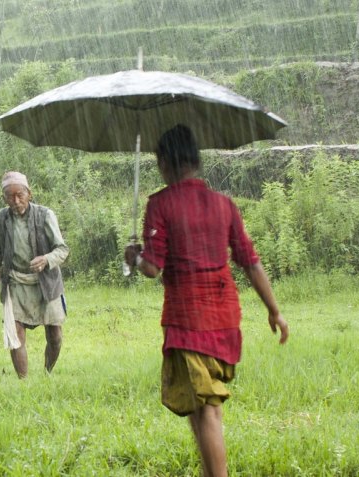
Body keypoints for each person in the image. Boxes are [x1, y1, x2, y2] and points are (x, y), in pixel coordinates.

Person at [124, 125, 289, 477]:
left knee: (207, 410)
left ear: (165, 162)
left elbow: (153, 268)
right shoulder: (224, 204)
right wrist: (274, 310)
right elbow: (250, 260)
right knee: (200, 406)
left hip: (188, 321)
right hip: (225, 318)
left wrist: (133, 257)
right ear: (196, 160)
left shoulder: (161, 203)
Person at [0, 171, 70, 379]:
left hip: (47, 283)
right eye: (10, 196)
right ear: (4, 198)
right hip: (15, 282)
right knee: (15, 336)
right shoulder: (1, 219)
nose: (15, 201)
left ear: (29, 194)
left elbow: (62, 249)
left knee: (55, 336)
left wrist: (46, 259)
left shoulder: (45, 215)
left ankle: (47, 373)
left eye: (20, 195)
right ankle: (24, 383)